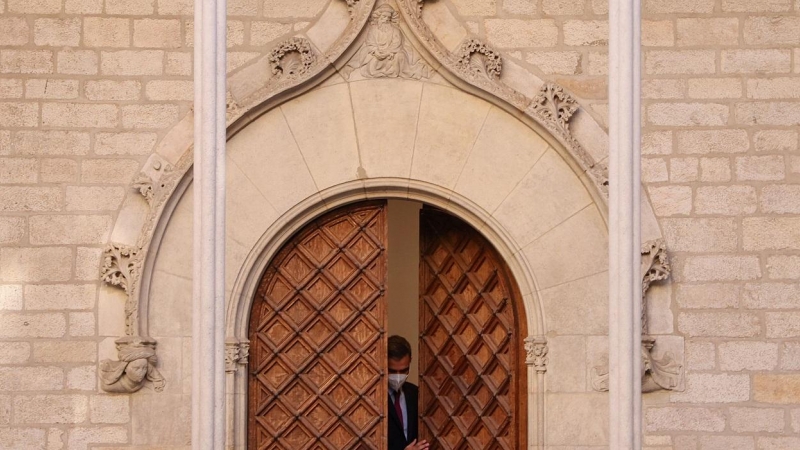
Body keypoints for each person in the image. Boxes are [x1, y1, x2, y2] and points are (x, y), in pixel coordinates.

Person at [387, 335, 429, 450]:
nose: (398, 376)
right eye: (392, 371)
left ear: (410, 361)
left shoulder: (415, 394)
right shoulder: (372, 398)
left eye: (404, 370)